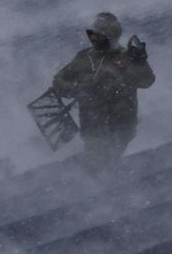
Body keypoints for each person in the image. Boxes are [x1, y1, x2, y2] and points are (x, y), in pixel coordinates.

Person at [52, 11, 155, 169]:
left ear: (112, 36)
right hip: (92, 128)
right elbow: (59, 81)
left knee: (107, 165)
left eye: (99, 36)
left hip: (121, 127)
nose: (94, 40)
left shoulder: (129, 58)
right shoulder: (84, 58)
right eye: (92, 35)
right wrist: (75, 90)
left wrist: (140, 62)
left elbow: (147, 81)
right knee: (97, 165)